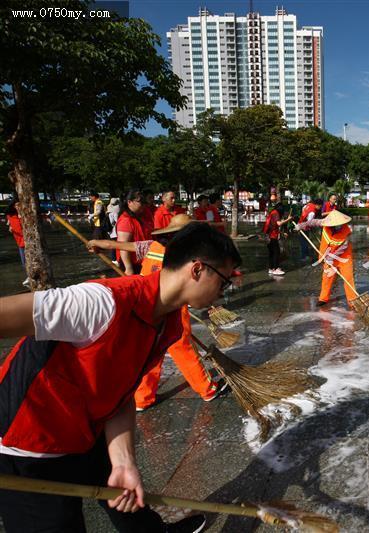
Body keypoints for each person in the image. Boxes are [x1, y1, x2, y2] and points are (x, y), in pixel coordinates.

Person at [0, 223, 241, 533]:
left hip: (86, 428)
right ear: (197, 270)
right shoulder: (101, 303)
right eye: (224, 282)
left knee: (128, 497)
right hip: (28, 446)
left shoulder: (167, 324)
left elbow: (121, 393)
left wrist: (124, 461)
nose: (224, 292)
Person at [87, 214, 227, 410]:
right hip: (172, 307)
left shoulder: (152, 246)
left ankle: (143, 398)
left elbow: (118, 245)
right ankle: (208, 389)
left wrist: (96, 243)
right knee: (183, 349)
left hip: (146, 307)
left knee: (150, 351)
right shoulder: (184, 254)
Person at [311, 210, 357, 307]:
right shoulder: (326, 229)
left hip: (344, 257)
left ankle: (352, 300)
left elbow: (343, 247)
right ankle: (323, 298)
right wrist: (323, 257)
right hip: (329, 256)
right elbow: (323, 244)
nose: (336, 226)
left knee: (348, 278)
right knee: (327, 277)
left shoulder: (346, 231)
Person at [116, 190, 150, 275]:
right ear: (129, 202)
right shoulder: (126, 220)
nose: (143, 205)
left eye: (144, 202)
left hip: (142, 262)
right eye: (140, 202)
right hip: (132, 264)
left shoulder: (139, 216)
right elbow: (123, 246)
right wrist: (128, 268)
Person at [263, 202, 293, 277]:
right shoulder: (275, 213)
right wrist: (288, 219)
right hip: (272, 236)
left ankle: (271, 268)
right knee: (276, 252)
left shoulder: (272, 212)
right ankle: (276, 268)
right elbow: (279, 223)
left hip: (268, 235)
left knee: (271, 253)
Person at [6, 201, 28, 287]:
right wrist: (10, 227)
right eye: (17, 205)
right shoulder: (10, 216)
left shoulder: (24, 215)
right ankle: (29, 276)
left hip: (27, 241)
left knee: (28, 261)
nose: (19, 206)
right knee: (24, 263)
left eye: (20, 205)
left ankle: (31, 277)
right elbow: (10, 224)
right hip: (19, 241)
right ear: (13, 206)